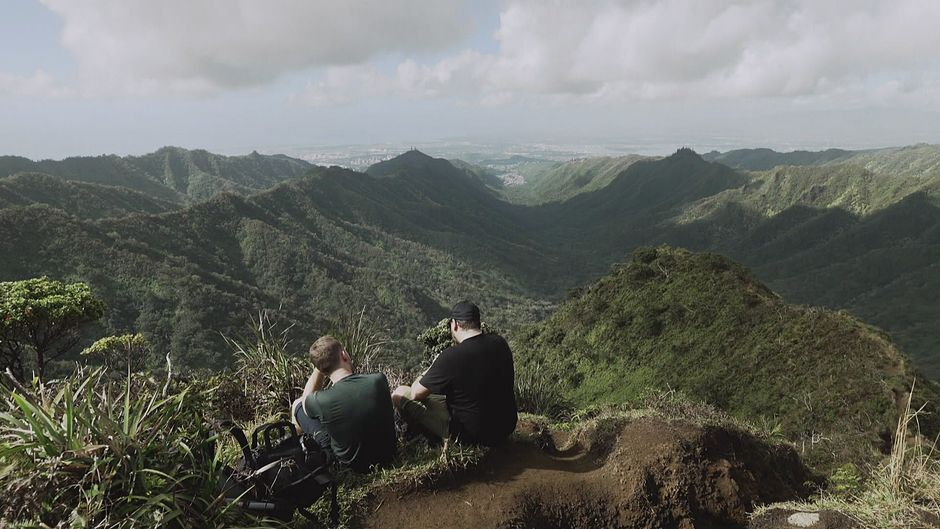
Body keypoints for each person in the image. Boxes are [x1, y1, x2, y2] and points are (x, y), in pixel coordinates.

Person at [391, 301, 518, 446]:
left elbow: (415, 394)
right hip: (506, 426)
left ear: (455, 325)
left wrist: (431, 367)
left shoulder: (451, 356)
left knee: (399, 393)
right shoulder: (500, 343)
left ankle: (432, 440)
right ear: (478, 323)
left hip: (473, 435)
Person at [291, 335, 397, 473]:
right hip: (388, 456)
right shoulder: (378, 380)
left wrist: (319, 367)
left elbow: (305, 401)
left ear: (322, 370)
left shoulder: (320, 400)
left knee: (297, 405)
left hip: (351, 467)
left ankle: (300, 449)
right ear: (344, 355)